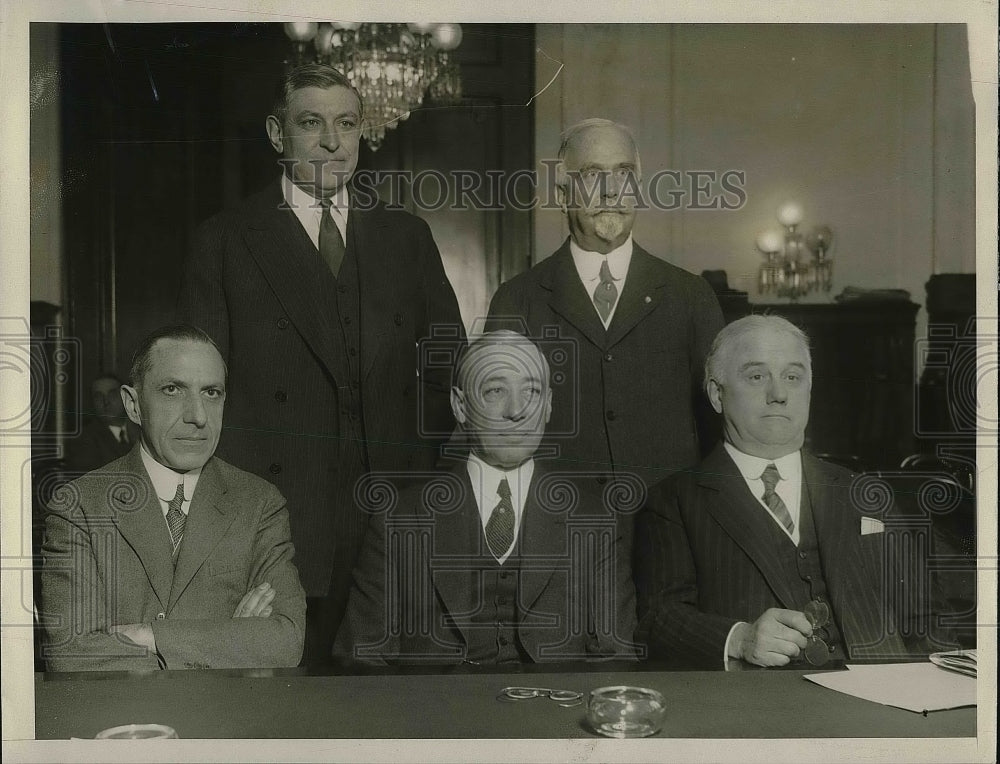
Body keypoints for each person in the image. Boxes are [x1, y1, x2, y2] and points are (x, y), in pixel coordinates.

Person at [176, 63, 465, 661]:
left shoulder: (406, 237)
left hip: (394, 531)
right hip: (279, 533)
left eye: (347, 124)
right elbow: (199, 399)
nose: (333, 142)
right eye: (312, 124)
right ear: (278, 135)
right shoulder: (226, 241)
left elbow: (449, 377)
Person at [633, 315, 956, 669]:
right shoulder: (674, 500)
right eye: (757, 377)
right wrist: (739, 639)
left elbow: (926, 619)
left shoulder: (863, 491)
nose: (779, 394)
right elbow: (658, 620)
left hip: (888, 703)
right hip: (770, 709)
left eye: (793, 377)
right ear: (716, 393)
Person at [335, 331, 637, 665]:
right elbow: (361, 660)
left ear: (549, 405)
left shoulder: (593, 517)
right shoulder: (400, 517)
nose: (517, 410)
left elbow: (616, 659)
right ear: (460, 406)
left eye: (532, 391)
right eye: (495, 390)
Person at [39, 325, 306, 671]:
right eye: (172, 390)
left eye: (211, 393)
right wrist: (232, 639)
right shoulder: (79, 506)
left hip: (228, 721)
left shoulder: (258, 503)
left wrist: (151, 636)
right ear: (133, 406)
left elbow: (285, 641)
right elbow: (70, 655)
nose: (197, 416)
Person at [486, 118, 724, 494]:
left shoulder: (691, 296)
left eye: (624, 174)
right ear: (563, 193)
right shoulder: (518, 299)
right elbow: (498, 436)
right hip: (561, 533)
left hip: (666, 537)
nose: (612, 191)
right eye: (593, 175)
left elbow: (719, 434)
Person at [63, 373, 136, 474]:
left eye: (112, 394)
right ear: (92, 403)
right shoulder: (83, 439)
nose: (106, 402)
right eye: (98, 396)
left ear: (126, 398)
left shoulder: (141, 430)